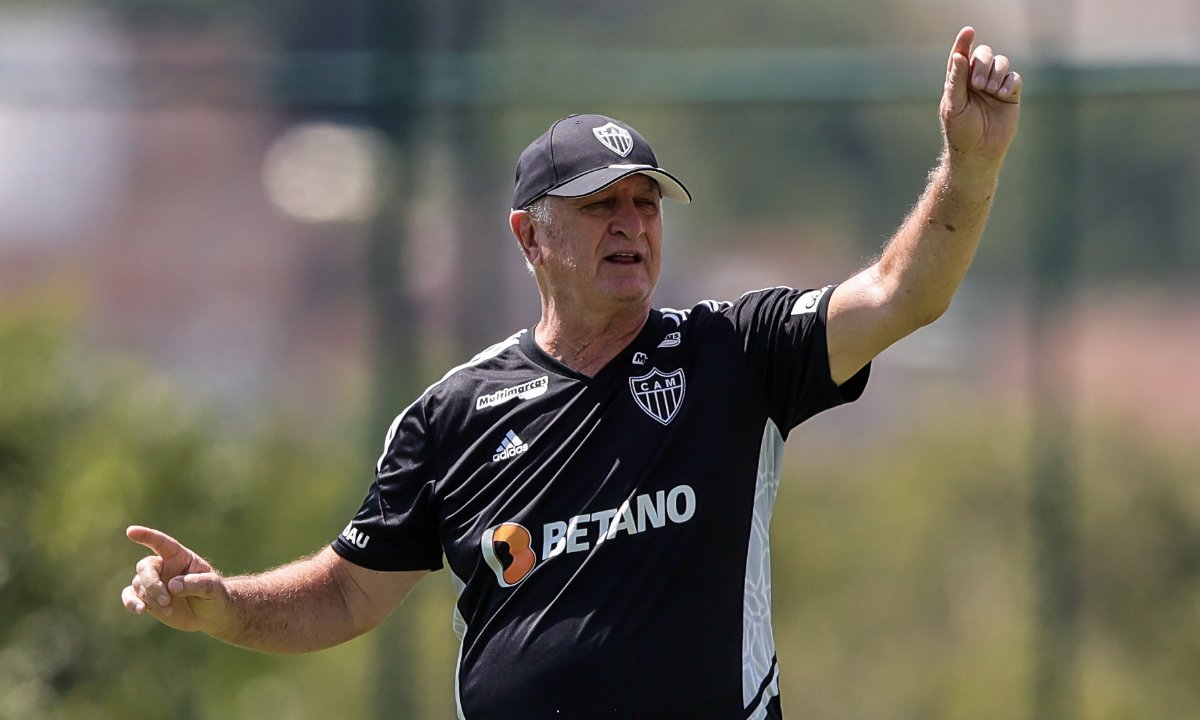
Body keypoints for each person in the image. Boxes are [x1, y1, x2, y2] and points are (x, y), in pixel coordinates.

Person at [122, 26, 1021, 719]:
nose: (631, 223)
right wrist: (226, 607)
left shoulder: (731, 353)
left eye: (645, 203)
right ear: (529, 235)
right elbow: (350, 590)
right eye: (600, 206)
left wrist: (970, 167)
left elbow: (906, 293)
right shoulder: (451, 415)